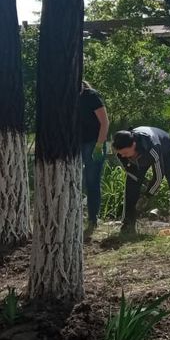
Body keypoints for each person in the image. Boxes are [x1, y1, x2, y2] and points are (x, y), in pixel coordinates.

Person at [112, 127, 170, 235]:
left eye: (125, 152)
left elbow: (159, 176)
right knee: (131, 186)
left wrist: (147, 195)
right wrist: (139, 184)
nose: (122, 156)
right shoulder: (121, 152)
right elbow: (131, 173)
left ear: (133, 145)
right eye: (120, 153)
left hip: (166, 149)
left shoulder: (153, 148)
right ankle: (127, 224)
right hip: (140, 156)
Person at [79, 81, 110, 234]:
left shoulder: (91, 96)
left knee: (92, 180)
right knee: (75, 180)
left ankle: (93, 218)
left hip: (93, 142)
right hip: (75, 143)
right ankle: (75, 216)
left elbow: (104, 122)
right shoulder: (66, 96)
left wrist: (99, 145)